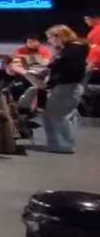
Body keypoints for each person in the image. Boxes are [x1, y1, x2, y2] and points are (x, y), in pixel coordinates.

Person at [40, 25, 88, 154]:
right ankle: (59, 144)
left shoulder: (72, 50)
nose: (49, 41)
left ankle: (64, 145)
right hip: (68, 87)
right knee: (55, 115)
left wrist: (52, 80)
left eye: (50, 37)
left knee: (57, 116)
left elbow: (70, 70)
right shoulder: (73, 49)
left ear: (59, 36)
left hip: (67, 87)